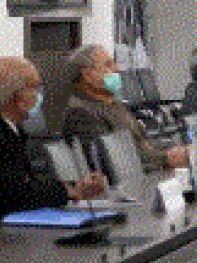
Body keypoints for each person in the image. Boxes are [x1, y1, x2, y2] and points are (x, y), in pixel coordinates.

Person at [0, 57, 105, 224]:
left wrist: (73, 187)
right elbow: (11, 197)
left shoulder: (2, 126)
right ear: (18, 97)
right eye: (35, 88)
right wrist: (66, 191)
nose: (39, 96)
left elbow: (25, 185)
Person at [62, 45, 190, 173]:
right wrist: (166, 158)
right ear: (87, 75)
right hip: (129, 180)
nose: (116, 69)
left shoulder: (115, 105)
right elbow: (116, 159)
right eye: (108, 65)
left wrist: (174, 149)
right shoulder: (80, 113)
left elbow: (144, 142)